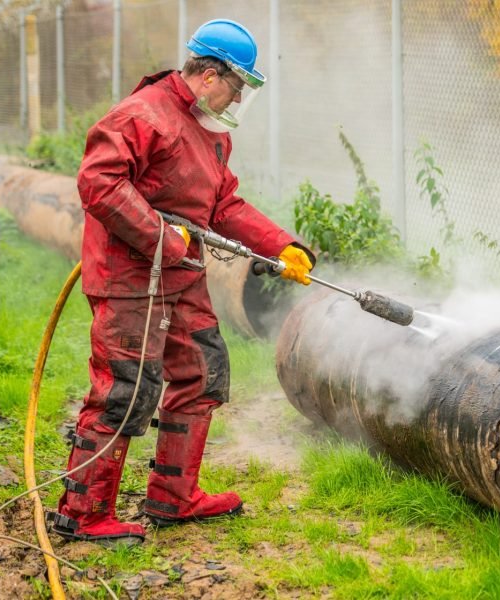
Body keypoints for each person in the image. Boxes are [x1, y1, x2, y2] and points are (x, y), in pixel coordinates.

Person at [47, 19, 315, 546]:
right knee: (124, 390)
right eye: (237, 88)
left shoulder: (206, 129)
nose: (237, 101)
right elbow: (98, 181)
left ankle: (173, 497)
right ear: (211, 75)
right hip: (131, 277)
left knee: (202, 371)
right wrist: (161, 237)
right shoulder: (143, 114)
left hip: (178, 274)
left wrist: (279, 243)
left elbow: (222, 205)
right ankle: (82, 512)